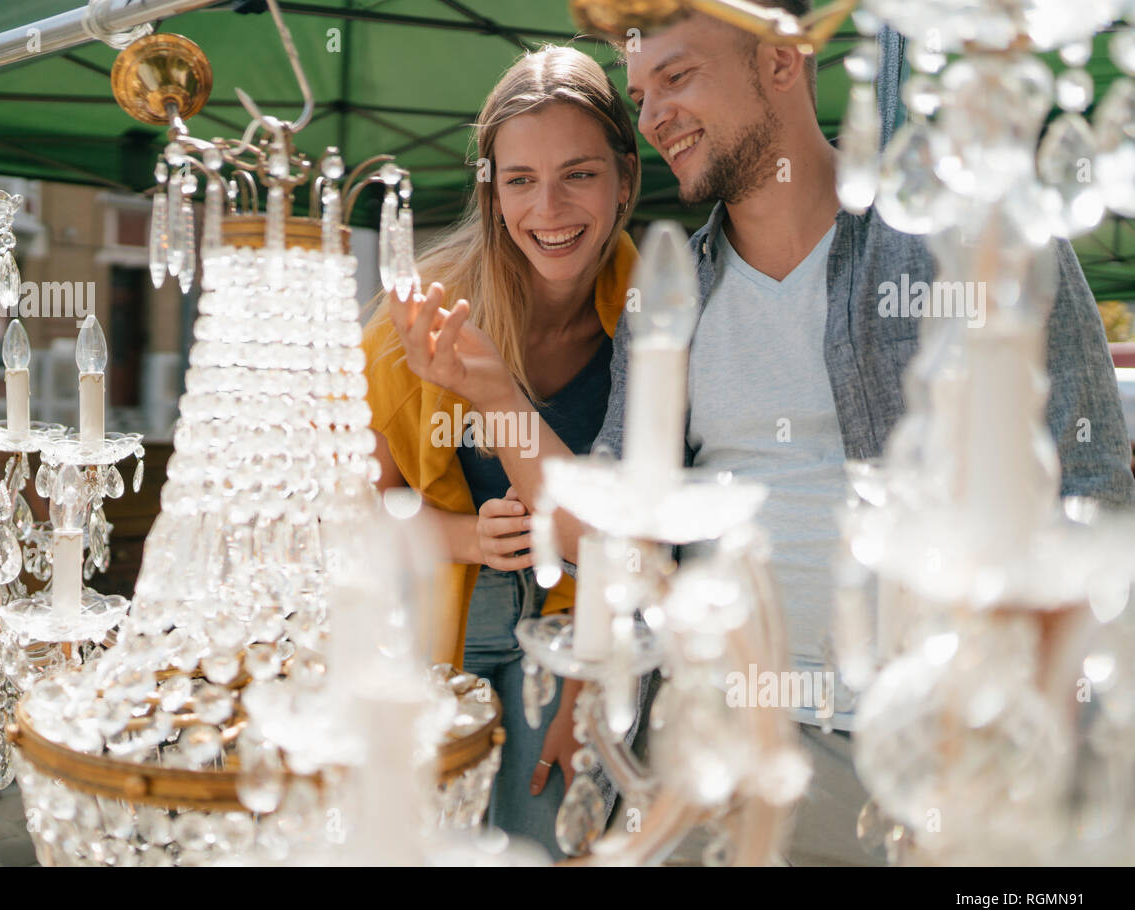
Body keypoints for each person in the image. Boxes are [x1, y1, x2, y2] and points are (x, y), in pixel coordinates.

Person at [385, 1, 1135, 866]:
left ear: (782, 60)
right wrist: (488, 386)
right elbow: (613, 542)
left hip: (948, 757)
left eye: (677, 76)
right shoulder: (670, 303)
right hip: (732, 758)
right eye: (640, 91)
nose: (654, 112)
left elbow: (1091, 489)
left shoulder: (975, 240)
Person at [362, 45, 640, 860]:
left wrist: (586, 687)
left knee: (542, 844)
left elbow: (629, 546)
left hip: (575, 631)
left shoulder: (658, 315)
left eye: (578, 174)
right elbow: (344, 512)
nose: (548, 207)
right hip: (440, 617)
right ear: (490, 189)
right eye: (519, 179)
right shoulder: (419, 318)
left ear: (625, 177)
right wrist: (462, 537)